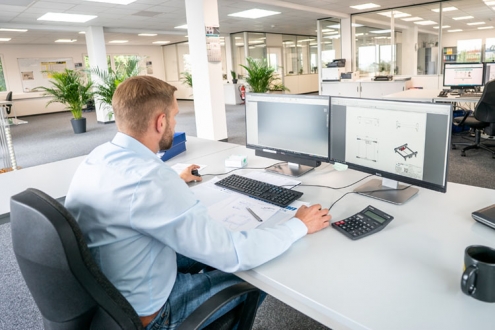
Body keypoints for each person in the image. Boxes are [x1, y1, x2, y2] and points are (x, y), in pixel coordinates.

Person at [65, 75, 331, 329]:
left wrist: (173, 179)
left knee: (214, 243)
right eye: (174, 116)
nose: (175, 124)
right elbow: (235, 254)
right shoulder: (151, 182)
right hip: (151, 315)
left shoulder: (98, 157)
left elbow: (132, 195)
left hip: (110, 293)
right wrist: (299, 225)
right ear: (160, 122)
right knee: (258, 266)